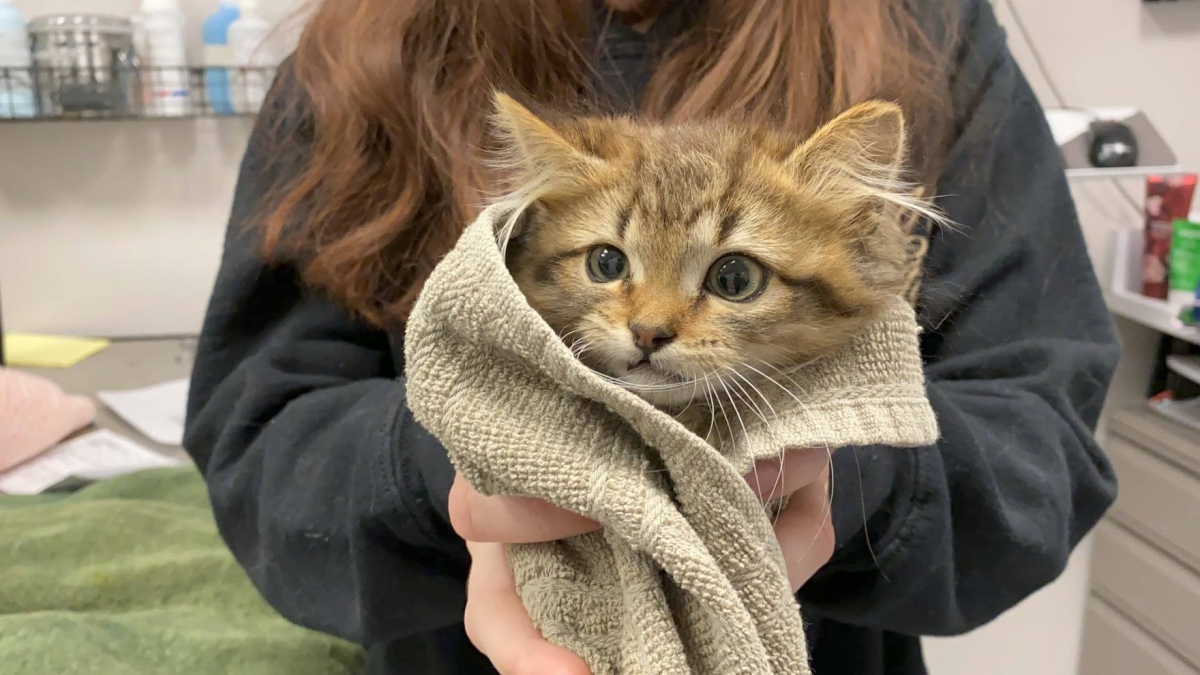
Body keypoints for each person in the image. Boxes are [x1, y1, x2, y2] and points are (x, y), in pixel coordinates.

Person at [183, 0, 1121, 673]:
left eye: (732, 277)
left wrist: (841, 473)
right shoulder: (366, 40)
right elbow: (261, 441)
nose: (652, 326)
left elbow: (1040, 444)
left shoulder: (928, 27)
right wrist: (474, 459)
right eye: (609, 267)